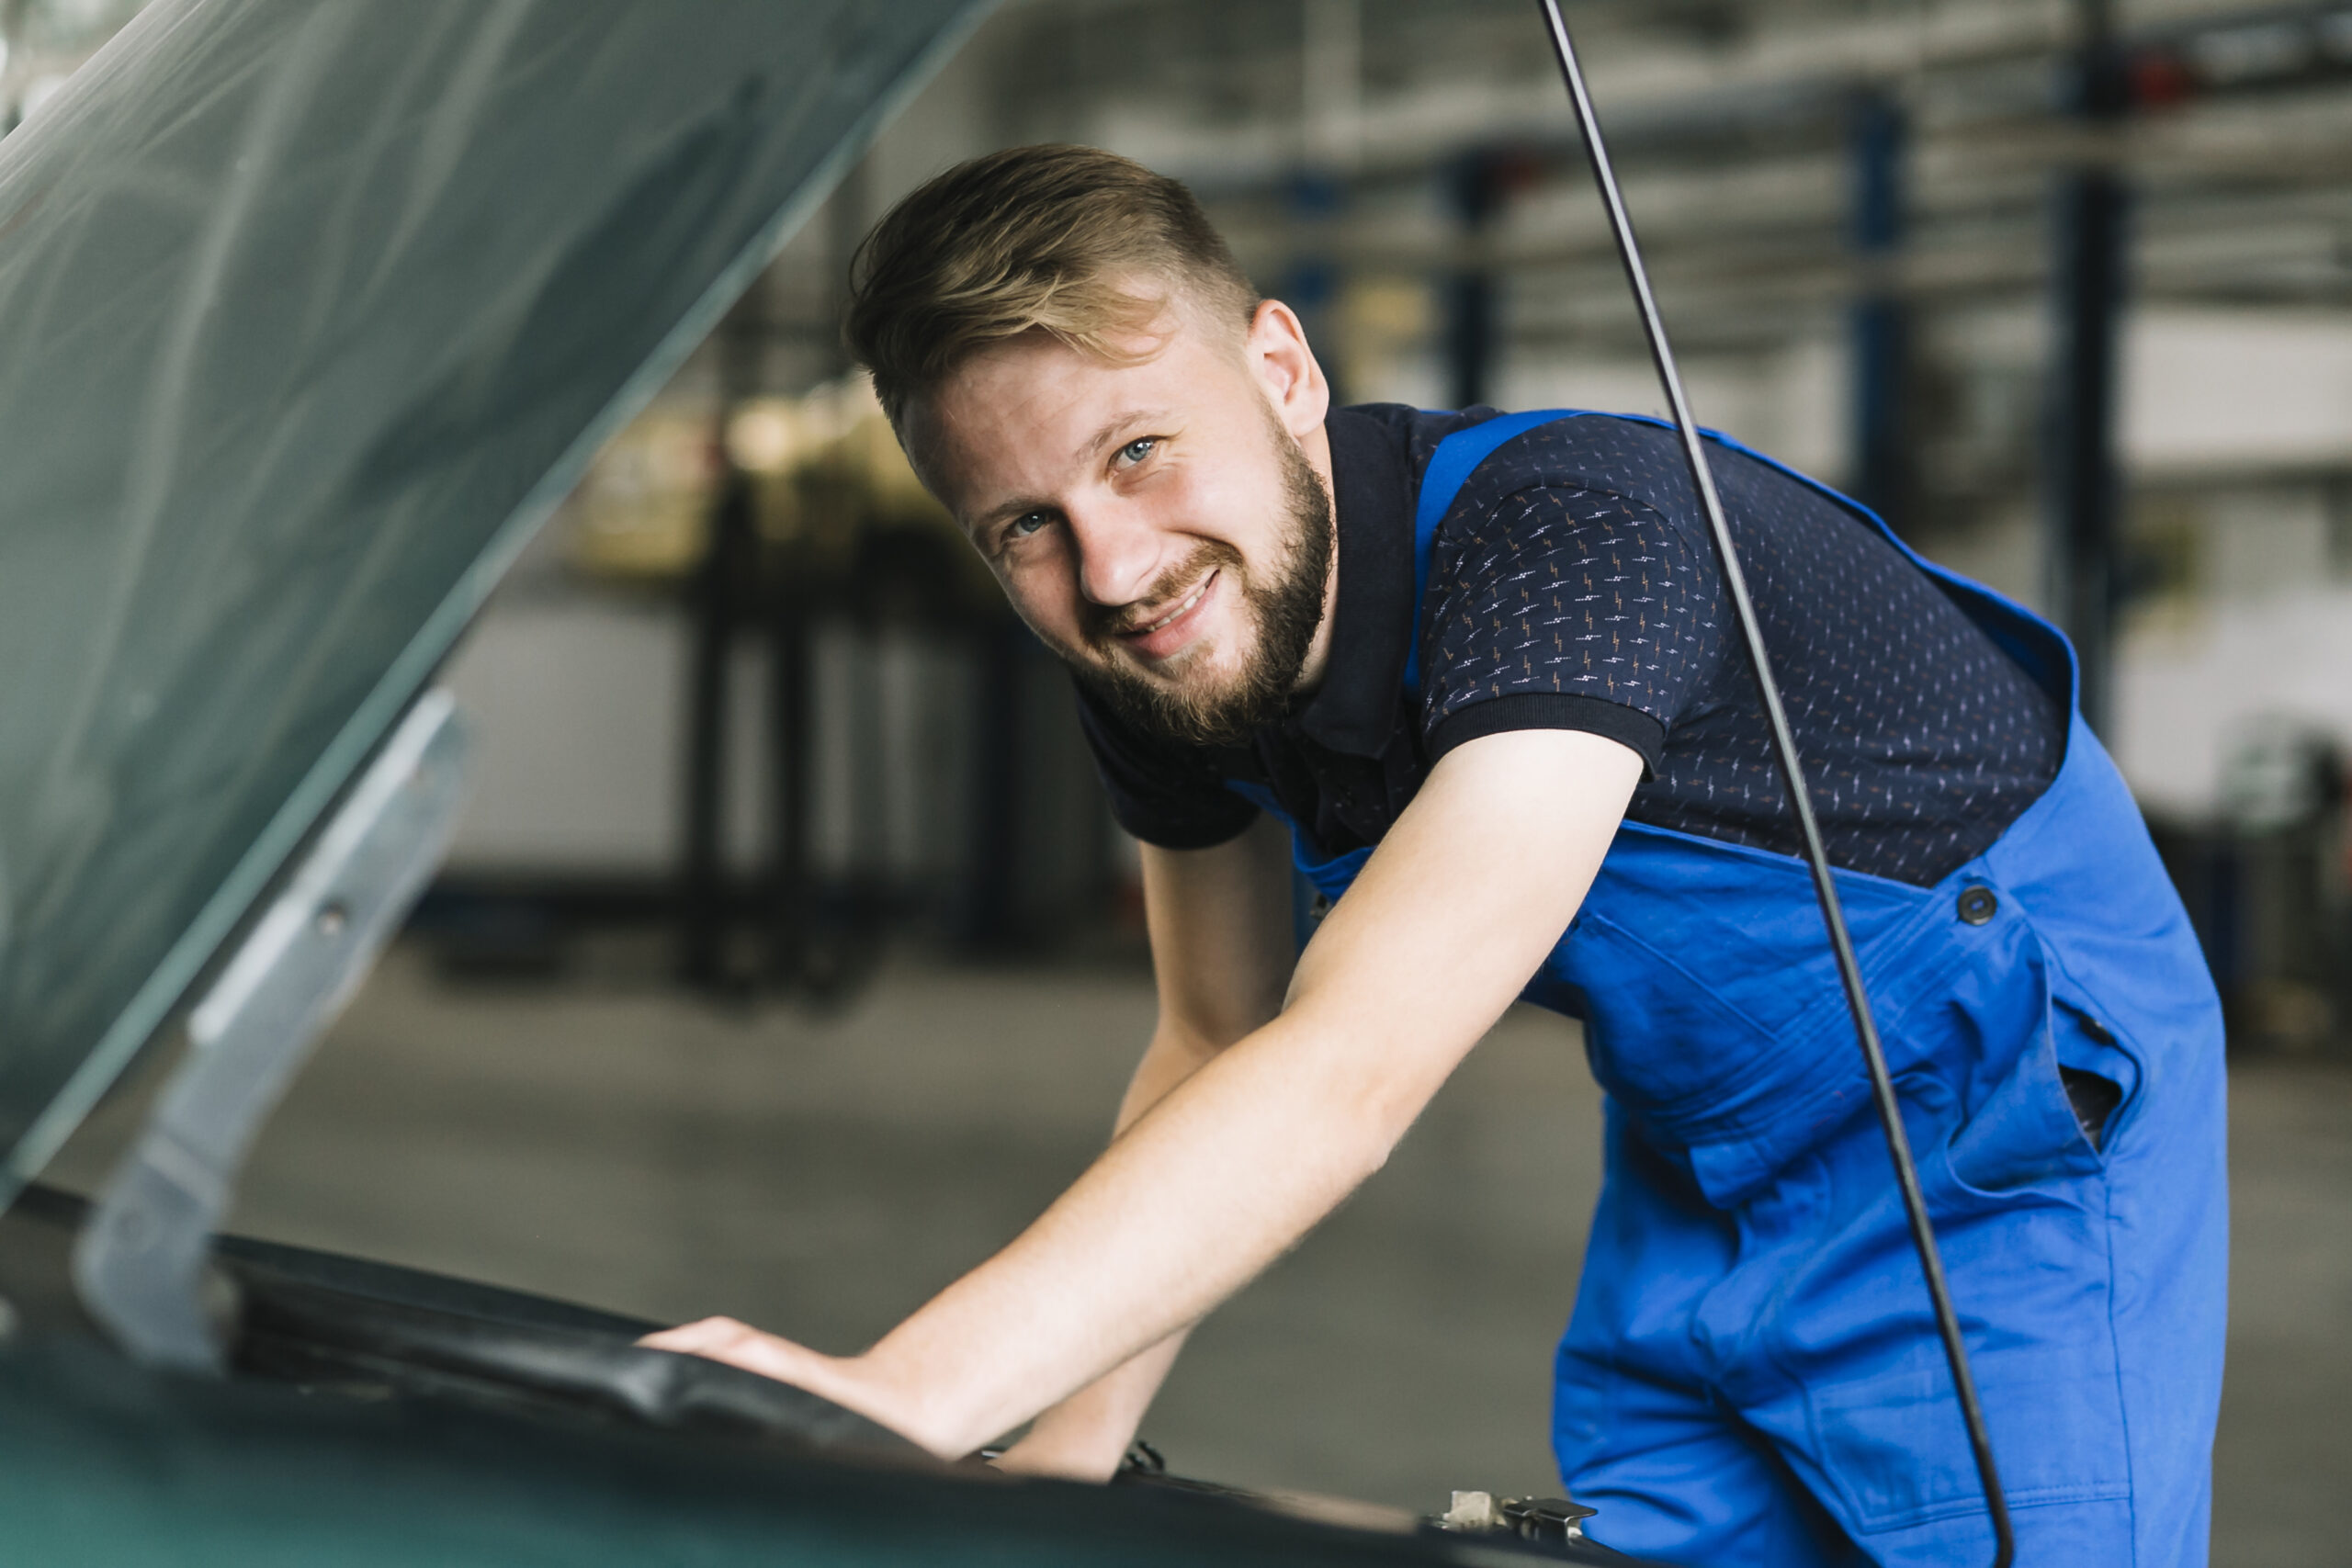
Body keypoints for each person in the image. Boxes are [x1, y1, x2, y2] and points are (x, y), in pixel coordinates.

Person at [645, 145, 2226, 1568]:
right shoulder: (1160, 648)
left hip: (2012, 1107)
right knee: (1635, 1544)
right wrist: (1050, 1458)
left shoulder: (1573, 539)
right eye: (1023, 527)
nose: (1113, 570)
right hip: (1717, 1136)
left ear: (1281, 367)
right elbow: (1215, 1033)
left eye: (1137, 450)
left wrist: (894, 1396)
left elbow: (1346, 1072)